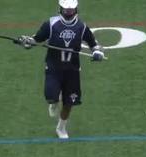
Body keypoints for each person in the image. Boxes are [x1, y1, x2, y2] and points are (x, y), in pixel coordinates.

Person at [20, 0, 105, 139]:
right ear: (60, 9)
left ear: (76, 10)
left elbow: (94, 44)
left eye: (71, 10)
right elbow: (36, 39)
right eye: (66, 10)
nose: (69, 13)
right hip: (54, 68)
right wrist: (27, 42)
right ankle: (54, 102)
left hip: (72, 70)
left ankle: (61, 127)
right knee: (51, 97)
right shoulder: (51, 24)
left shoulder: (82, 27)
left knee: (69, 102)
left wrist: (97, 52)